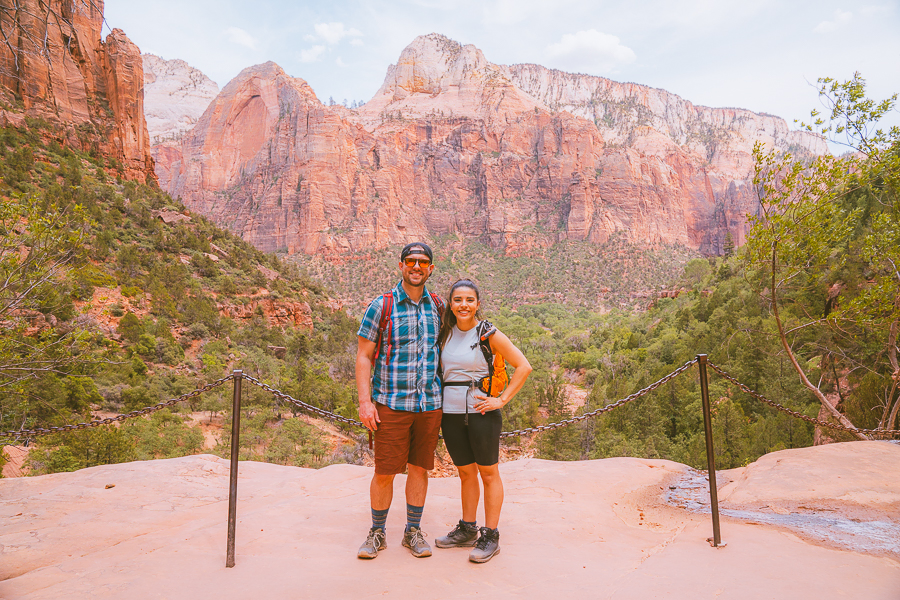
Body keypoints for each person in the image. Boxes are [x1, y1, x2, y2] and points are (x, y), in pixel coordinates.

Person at [355, 242, 444, 559]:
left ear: (431, 269)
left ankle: (413, 531)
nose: (416, 266)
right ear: (401, 265)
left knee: (420, 469)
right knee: (384, 472)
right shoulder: (382, 306)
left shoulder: (438, 306)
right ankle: (377, 532)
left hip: (429, 404)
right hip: (390, 405)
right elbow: (364, 356)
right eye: (411, 261)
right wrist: (365, 403)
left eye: (423, 262)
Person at [434, 279, 532, 563]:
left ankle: (490, 535)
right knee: (465, 473)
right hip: (450, 414)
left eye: (469, 300)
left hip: (482, 413)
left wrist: (501, 400)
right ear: (450, 304)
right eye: (457, 300)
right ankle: (467, 529)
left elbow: (523, 366)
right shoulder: (445, 333)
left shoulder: (488, 333)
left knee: (488, 474)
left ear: (477, 303)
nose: (463, 305)